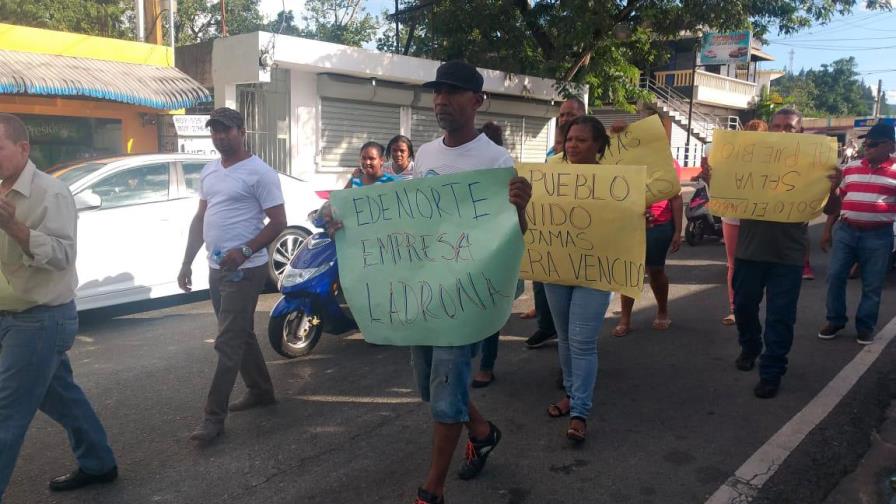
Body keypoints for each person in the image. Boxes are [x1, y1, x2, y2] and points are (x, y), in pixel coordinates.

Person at [377, 60, 529, 504]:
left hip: (465, 298)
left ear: (477, 101)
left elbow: (514, 235)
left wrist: (520, 208)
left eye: (453, 92)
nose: (441, 100)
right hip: (425, 291)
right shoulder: (424, 155)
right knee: (430, 385)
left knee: (445, 393)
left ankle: (433, 489)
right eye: (437, 92)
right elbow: (408, 216)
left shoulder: (496, 160)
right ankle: (481, 431)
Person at [0, 113, 118, 498]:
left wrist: (16, 229)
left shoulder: (50, 193)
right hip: (10, 314)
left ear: (23, 148)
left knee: (6, 414)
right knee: (62, 397)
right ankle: (98, 463)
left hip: (39, 320)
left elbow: (63, 256)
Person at [177, 107, 287, 445]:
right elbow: (200, 220)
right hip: (216, 267)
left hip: (244, 270)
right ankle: (261, 390)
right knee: (240, 335)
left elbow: (279, 222)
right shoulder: (210, 171)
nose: (220, 136)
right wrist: (186, 262)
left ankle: (213, 417)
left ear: (242, 131)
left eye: (226, 130)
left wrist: (247, 250)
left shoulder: (260, 173)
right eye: (215, 131)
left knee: (227, 342)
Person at [542, 115, 614, 443]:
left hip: (595, 271)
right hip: (557, 268)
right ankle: (571, 394)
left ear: (597, 145)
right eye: (569, 139)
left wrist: (634, 216)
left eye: (581, 140)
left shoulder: (615, 181)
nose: (573, 145)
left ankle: (580, 412)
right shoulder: (551, 176)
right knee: (565, 338)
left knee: (583, 341)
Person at [732, 108, 814, 399]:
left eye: (789, 127)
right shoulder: (750, 161)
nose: (781, 132)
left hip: (787, 257)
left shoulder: (813, 165)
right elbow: (726, 196)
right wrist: (713, 175)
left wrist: (833, 187)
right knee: (743, 308)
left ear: (800, 133)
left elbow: (830, 209)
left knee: (780, 317)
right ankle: (750, 346)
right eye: (776, 126)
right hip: (750, 252)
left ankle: (772, 371)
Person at [818, 123, 896, 345]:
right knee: (834, 277)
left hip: (878, 236)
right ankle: (835, 320)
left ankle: (865, 326)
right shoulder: (850, 169)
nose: (867, 147)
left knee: (872, 284)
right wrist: (827, 231)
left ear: (890, 145)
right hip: (846, 231)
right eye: (865, 143)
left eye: (873, 144)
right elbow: (837, 205)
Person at [613, 110, 683, 337]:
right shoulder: (625, 158)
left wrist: (677, 231)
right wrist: (615, 134)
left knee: (655, 271)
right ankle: (625, 319)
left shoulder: (669, 162)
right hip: (630, 224)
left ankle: (663, 311)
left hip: (660, 226)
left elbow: (676, 197)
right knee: (629, 272)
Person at [524, 97, 586, 348]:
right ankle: (547, 327)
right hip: (552, 231)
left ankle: (572, 349)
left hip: (581, 231)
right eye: (561, 115)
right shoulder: (552, 154)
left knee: (574, 296)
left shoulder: (597, 148)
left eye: (570, 114)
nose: (564, 119)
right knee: (541, 278)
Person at [711, 118, 768, 326]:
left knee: (758, 263)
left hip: (762, 217)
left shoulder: (773, 160)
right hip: (734, 216)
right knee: (734, 264)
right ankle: (735, 308)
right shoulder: (731, 156)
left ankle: (748, 306)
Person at [471, 121, 506, 389]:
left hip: (491, 251)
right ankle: (479, 361)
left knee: (489, 308)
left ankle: (486, 365)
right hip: (459, 252)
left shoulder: (502, 168)